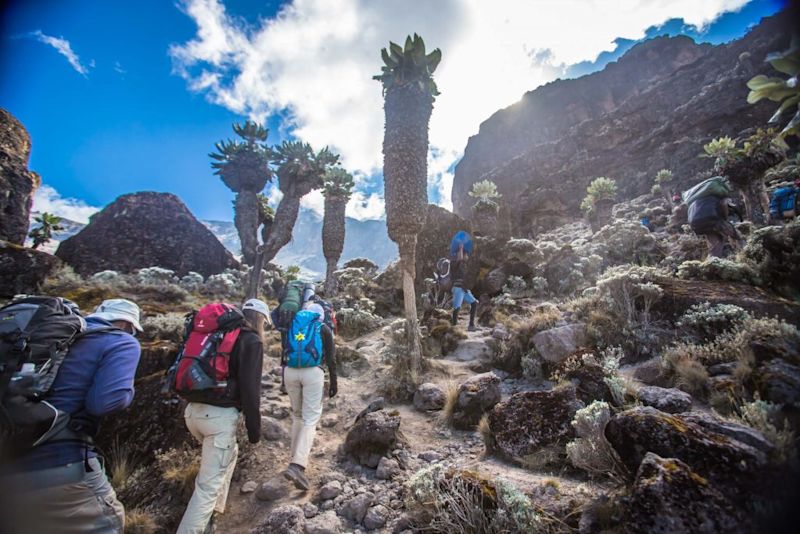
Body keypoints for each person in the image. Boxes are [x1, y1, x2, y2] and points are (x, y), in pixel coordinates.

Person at [0, 298, 143, 534]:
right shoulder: (121, 341)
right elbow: (107, 402)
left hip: (9, 465)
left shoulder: (53, 338)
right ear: (128, 325)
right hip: (60, 463)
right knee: (109, 524)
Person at [177, 299, 269, 534]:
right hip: (218, 420)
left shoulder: (216, 335)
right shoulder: (251, 340)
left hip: (192, 412)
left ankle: (213, 515)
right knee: (206, 488)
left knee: (230, 454)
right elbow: (251, 390)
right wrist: (254, 431)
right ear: (260, 320)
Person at [282, 301, 337, 491]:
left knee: (297, 415)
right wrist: (334, 383)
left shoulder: (294, 325)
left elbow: (285, 350)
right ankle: (297, 466)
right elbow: (331, 358)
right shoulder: (323, 328)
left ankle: (294, 457)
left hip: (290, 371)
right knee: (310, 419)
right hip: (313, 372)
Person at [451, 244, 478, 331]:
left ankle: (471, 325)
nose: (467, 256)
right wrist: (461, 248)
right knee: (457, 308)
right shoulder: (455, 263)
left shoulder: (464, 266)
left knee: (474, 303)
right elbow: (460, 259)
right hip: (458, 289)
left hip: (464, 289)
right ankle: (454, 327)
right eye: (466, 255)